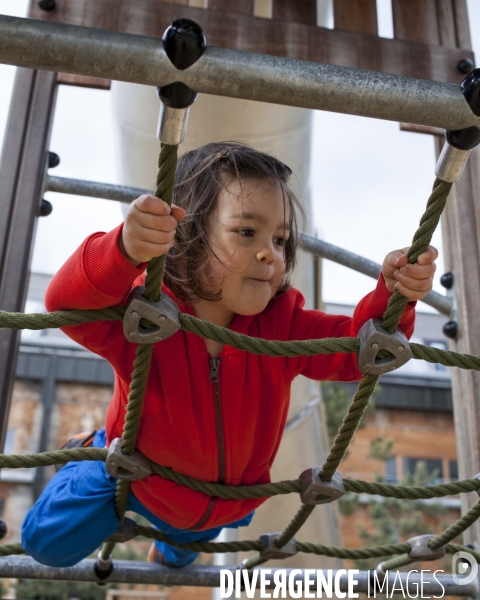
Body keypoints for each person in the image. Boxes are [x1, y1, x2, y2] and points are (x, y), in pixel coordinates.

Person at [22, 142, 437, 568]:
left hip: (223, 503)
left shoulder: (283, 326)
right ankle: (89, 450)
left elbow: (356, 351)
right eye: (246, 232)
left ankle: (168, 546)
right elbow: (67, 306)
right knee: (46, 544)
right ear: (187, 234)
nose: (270, 253)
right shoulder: (143, 317)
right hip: (131, 475)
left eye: (280, 239)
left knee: (178, 560)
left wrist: (394, 297)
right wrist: (124, 250)